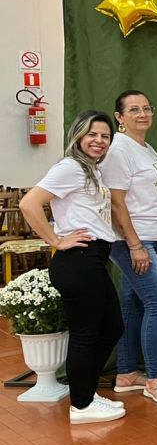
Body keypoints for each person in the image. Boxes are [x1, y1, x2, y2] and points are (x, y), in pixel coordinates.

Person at [19, 111, 126, 424]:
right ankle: (81, 405)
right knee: (85, 334)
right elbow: (29, 203)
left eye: (105, 136)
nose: (99, 141)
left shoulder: (91, 169)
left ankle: (86, 394)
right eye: (92, 134)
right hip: (79, 260)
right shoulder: (71, 167)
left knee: (112, 327)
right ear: (78, 136)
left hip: (92, 260)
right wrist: (56, 240)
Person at [104, 90, 157, 405]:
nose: (143, 114)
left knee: (133, 305)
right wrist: (135, 245)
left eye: (146, 108)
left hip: (152, 236)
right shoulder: (119, 149)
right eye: (134, 109)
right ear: (119, 117)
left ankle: (126, 374)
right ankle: (155, 379)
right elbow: (116, 203)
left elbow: (151, 197)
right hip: (130, 240)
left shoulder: (145, 147)